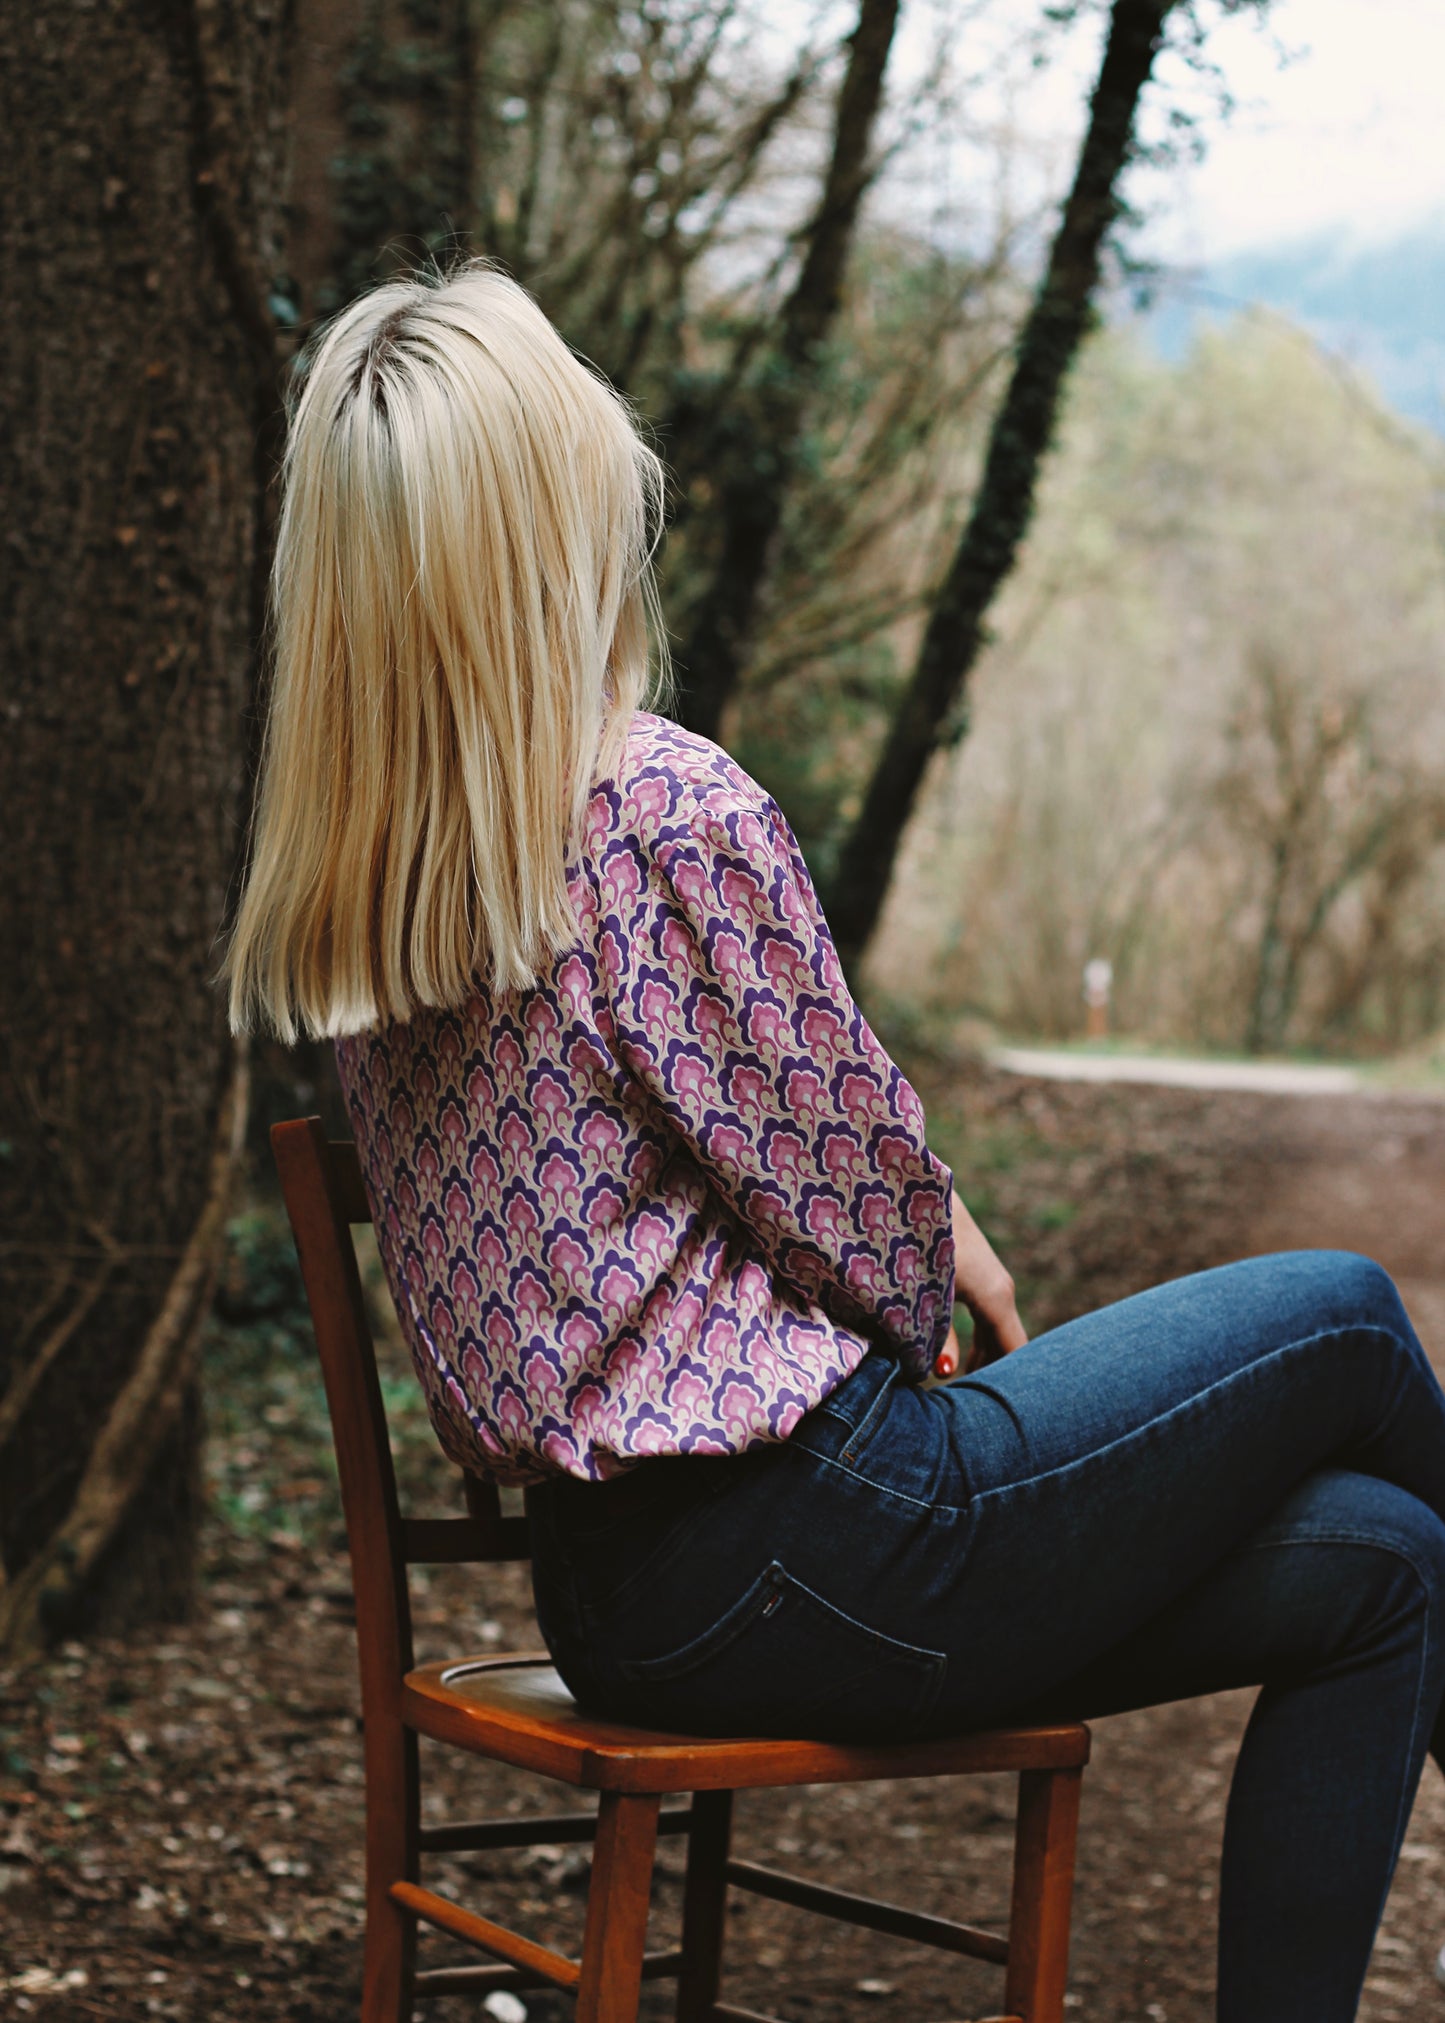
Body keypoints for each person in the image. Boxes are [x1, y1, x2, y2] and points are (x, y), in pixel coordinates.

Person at [224, 263, 1445, 2023]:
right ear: (549, 529)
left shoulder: (385, 894)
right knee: (1341, 1317)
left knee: (1387, 1569)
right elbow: (867, 1227)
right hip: (827, 1543)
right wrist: (935, 1240)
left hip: (627, 1603)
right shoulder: (653, 809)